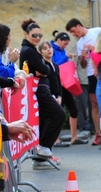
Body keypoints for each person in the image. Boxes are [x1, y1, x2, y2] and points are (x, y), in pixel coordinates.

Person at [19, 19, 66, 167]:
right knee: (58, 114)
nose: (38, 38)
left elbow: (46, 71)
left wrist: (43, 70)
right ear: (26, 35)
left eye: (40, 35)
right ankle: (43, 147)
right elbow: (44, 70)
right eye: (34, 35)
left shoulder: (31, 50)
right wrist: (42, 70)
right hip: (38, 89)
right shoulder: (28, 50)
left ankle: (41, 157)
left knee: (47, 119)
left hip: (41, 89)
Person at [65, 18, 101, 145]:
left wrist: (94, 49)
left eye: (74, 31)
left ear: (79, 26)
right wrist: (82, 56)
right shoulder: (80, 43)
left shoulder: (97, 31)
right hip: (91, 74)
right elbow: (83, 64)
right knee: (94, 104)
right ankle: (98, 134)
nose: (74, 34)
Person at [50, 30, 88, 146]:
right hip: (56, 84)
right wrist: (65, 57)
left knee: (73, 110)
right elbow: (54, 65)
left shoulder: (62, 50)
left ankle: (74, 137)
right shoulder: (51, 49)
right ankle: (55, 139)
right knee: (58, 111)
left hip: (65, 83)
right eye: (65, 43)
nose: (65, 46)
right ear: (59, 40)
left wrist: (68, 58)